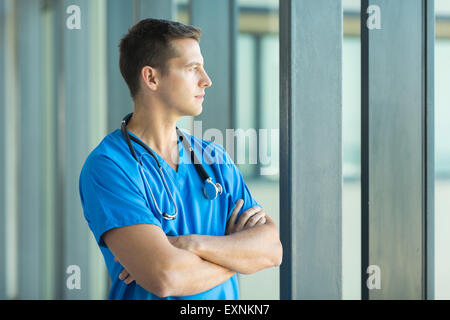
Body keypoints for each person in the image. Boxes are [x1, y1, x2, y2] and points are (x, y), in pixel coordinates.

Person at [79, 18, 282, 300]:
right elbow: (166, 277)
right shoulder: (109, 167)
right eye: (192, 68)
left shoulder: (213, 158)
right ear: (151, 77)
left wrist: (189, 244)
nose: (206, 80)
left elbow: (272, 250)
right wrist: (236, 255)